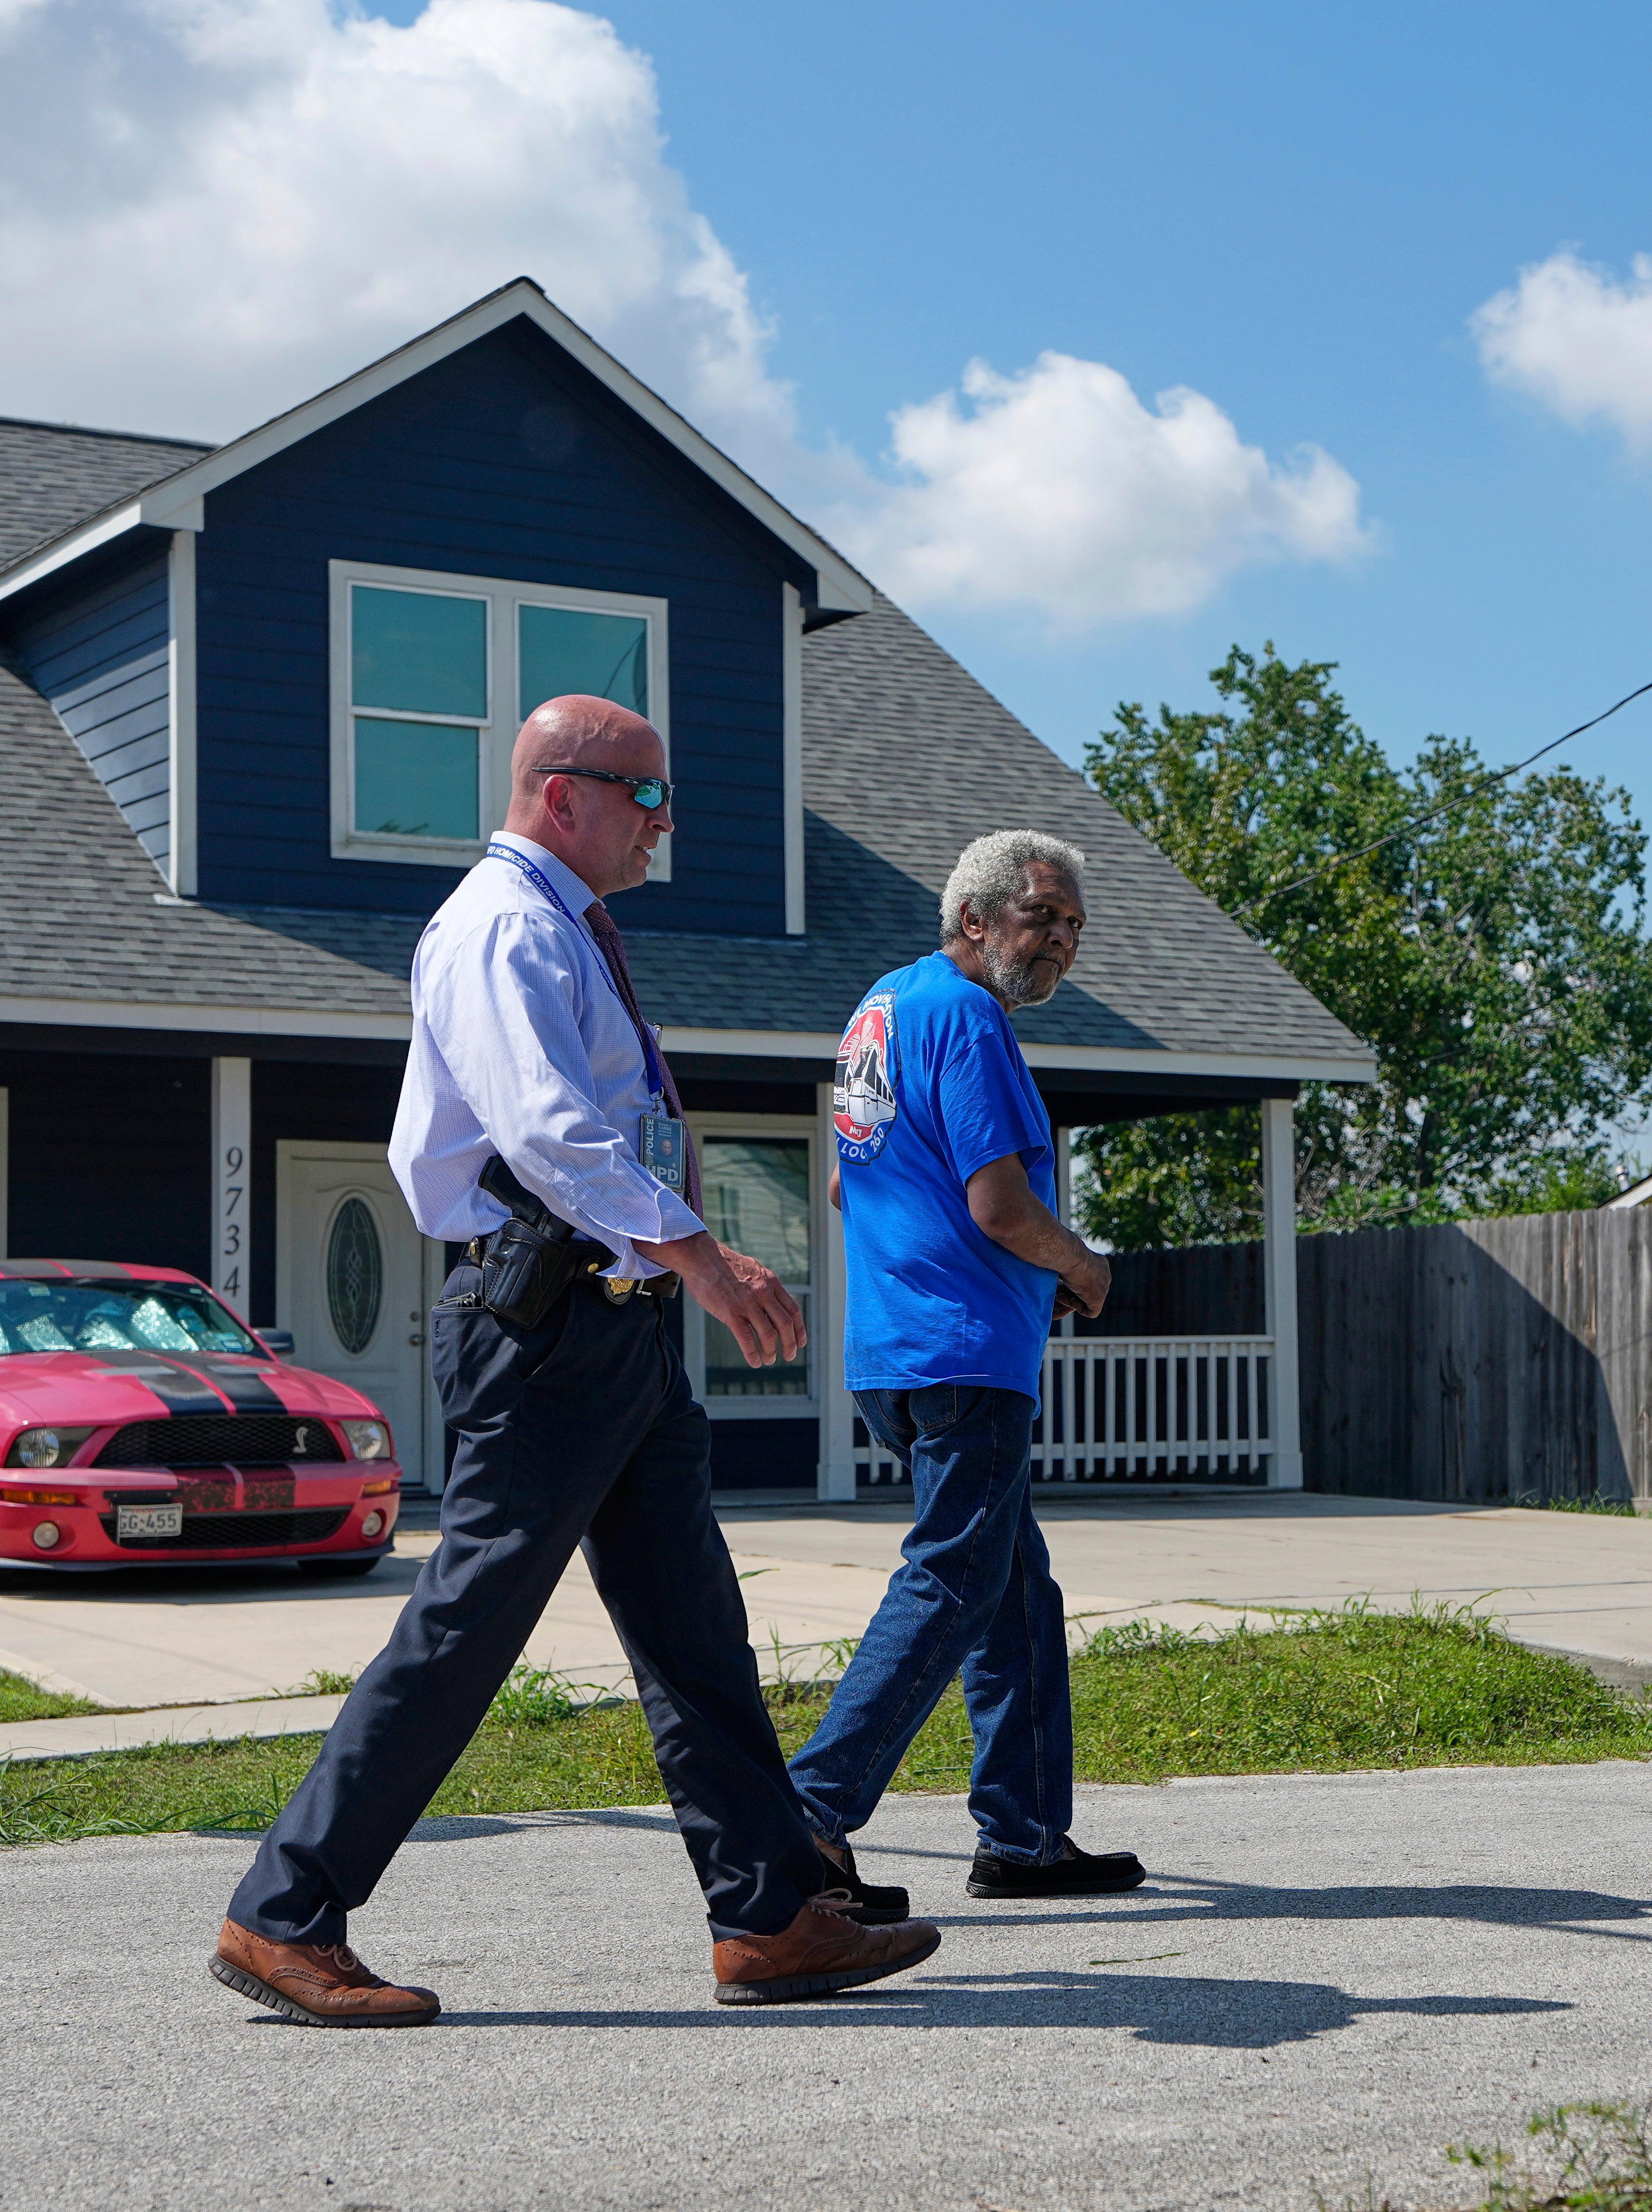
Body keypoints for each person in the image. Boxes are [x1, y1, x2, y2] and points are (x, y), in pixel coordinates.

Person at [210, 695, 945, 2025]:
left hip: (612, 1322)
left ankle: (770, 1912)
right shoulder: (499, 927)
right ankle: (285, 1908)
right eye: (646, 797)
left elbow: (605, 1119)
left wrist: (675, 1232)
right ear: (563, 794)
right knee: (468, 1622)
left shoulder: (561, 930)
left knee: (692, 1623)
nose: (666, 824)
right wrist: (703, 1257)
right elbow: (548, 1130)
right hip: (542, 1322)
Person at [789, 829, 1148, 1917]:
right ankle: (805, 1814)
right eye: (1043, 916)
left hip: (895, 1344)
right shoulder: (968, 1014)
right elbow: (998, 1202)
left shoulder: (878, 1009)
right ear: (975, 917)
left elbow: (857, 1189)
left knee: (1013, 1589)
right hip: (963, 1351)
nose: (1059, 943)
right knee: (952, 1578)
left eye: (1074, 927)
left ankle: (1027, 1835)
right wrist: (1083, 1266)